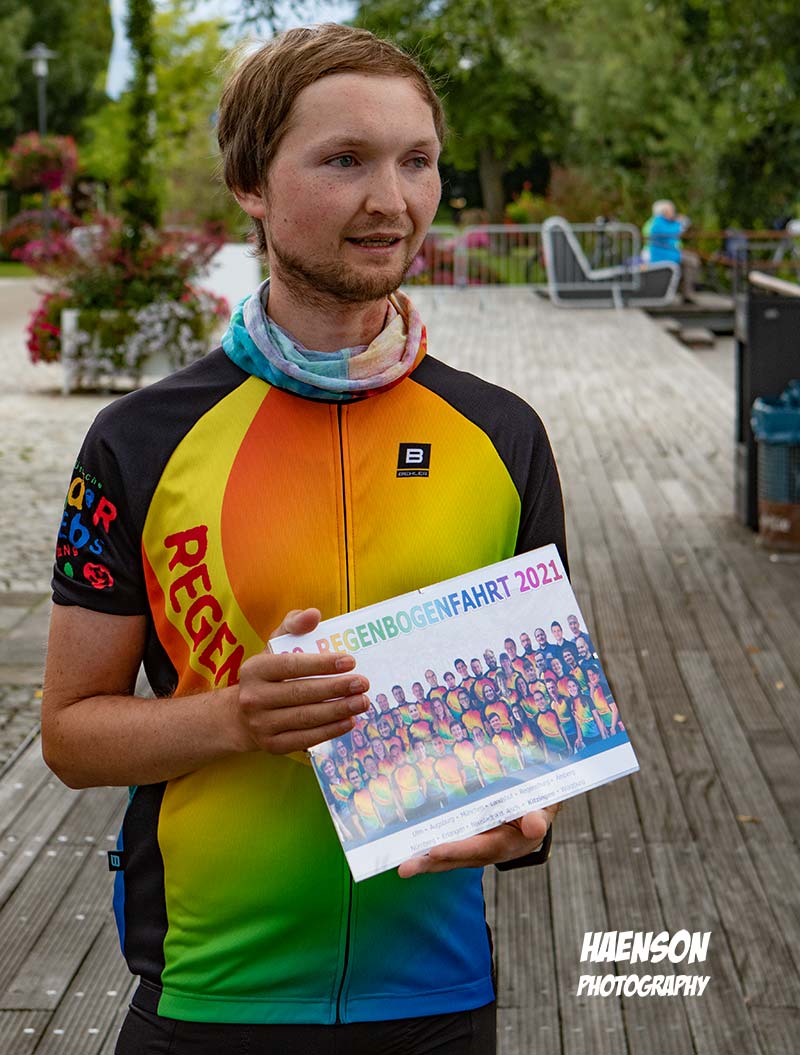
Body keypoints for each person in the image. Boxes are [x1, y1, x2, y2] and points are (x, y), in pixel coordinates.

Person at [41, 23, 564, 1055]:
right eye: (345, 160)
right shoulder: (138, 440)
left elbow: (533, 736)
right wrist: (235, 716)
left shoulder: (503, 436)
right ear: (249, 182)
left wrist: (526, 815)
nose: (392, 200)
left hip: (435, 998)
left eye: (417, 160)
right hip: (209, 996)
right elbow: (70, 734)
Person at [643, 199, 700, 300]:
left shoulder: (665, 222)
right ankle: (686, 292)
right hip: (662, 255)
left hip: (671, 253)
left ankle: (686, 291)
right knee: (691, 261)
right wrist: (682, 223)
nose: (674, 213)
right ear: (664, 212)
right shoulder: (658, 223)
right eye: (672, 210)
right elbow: (673, 231)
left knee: (691, 259)